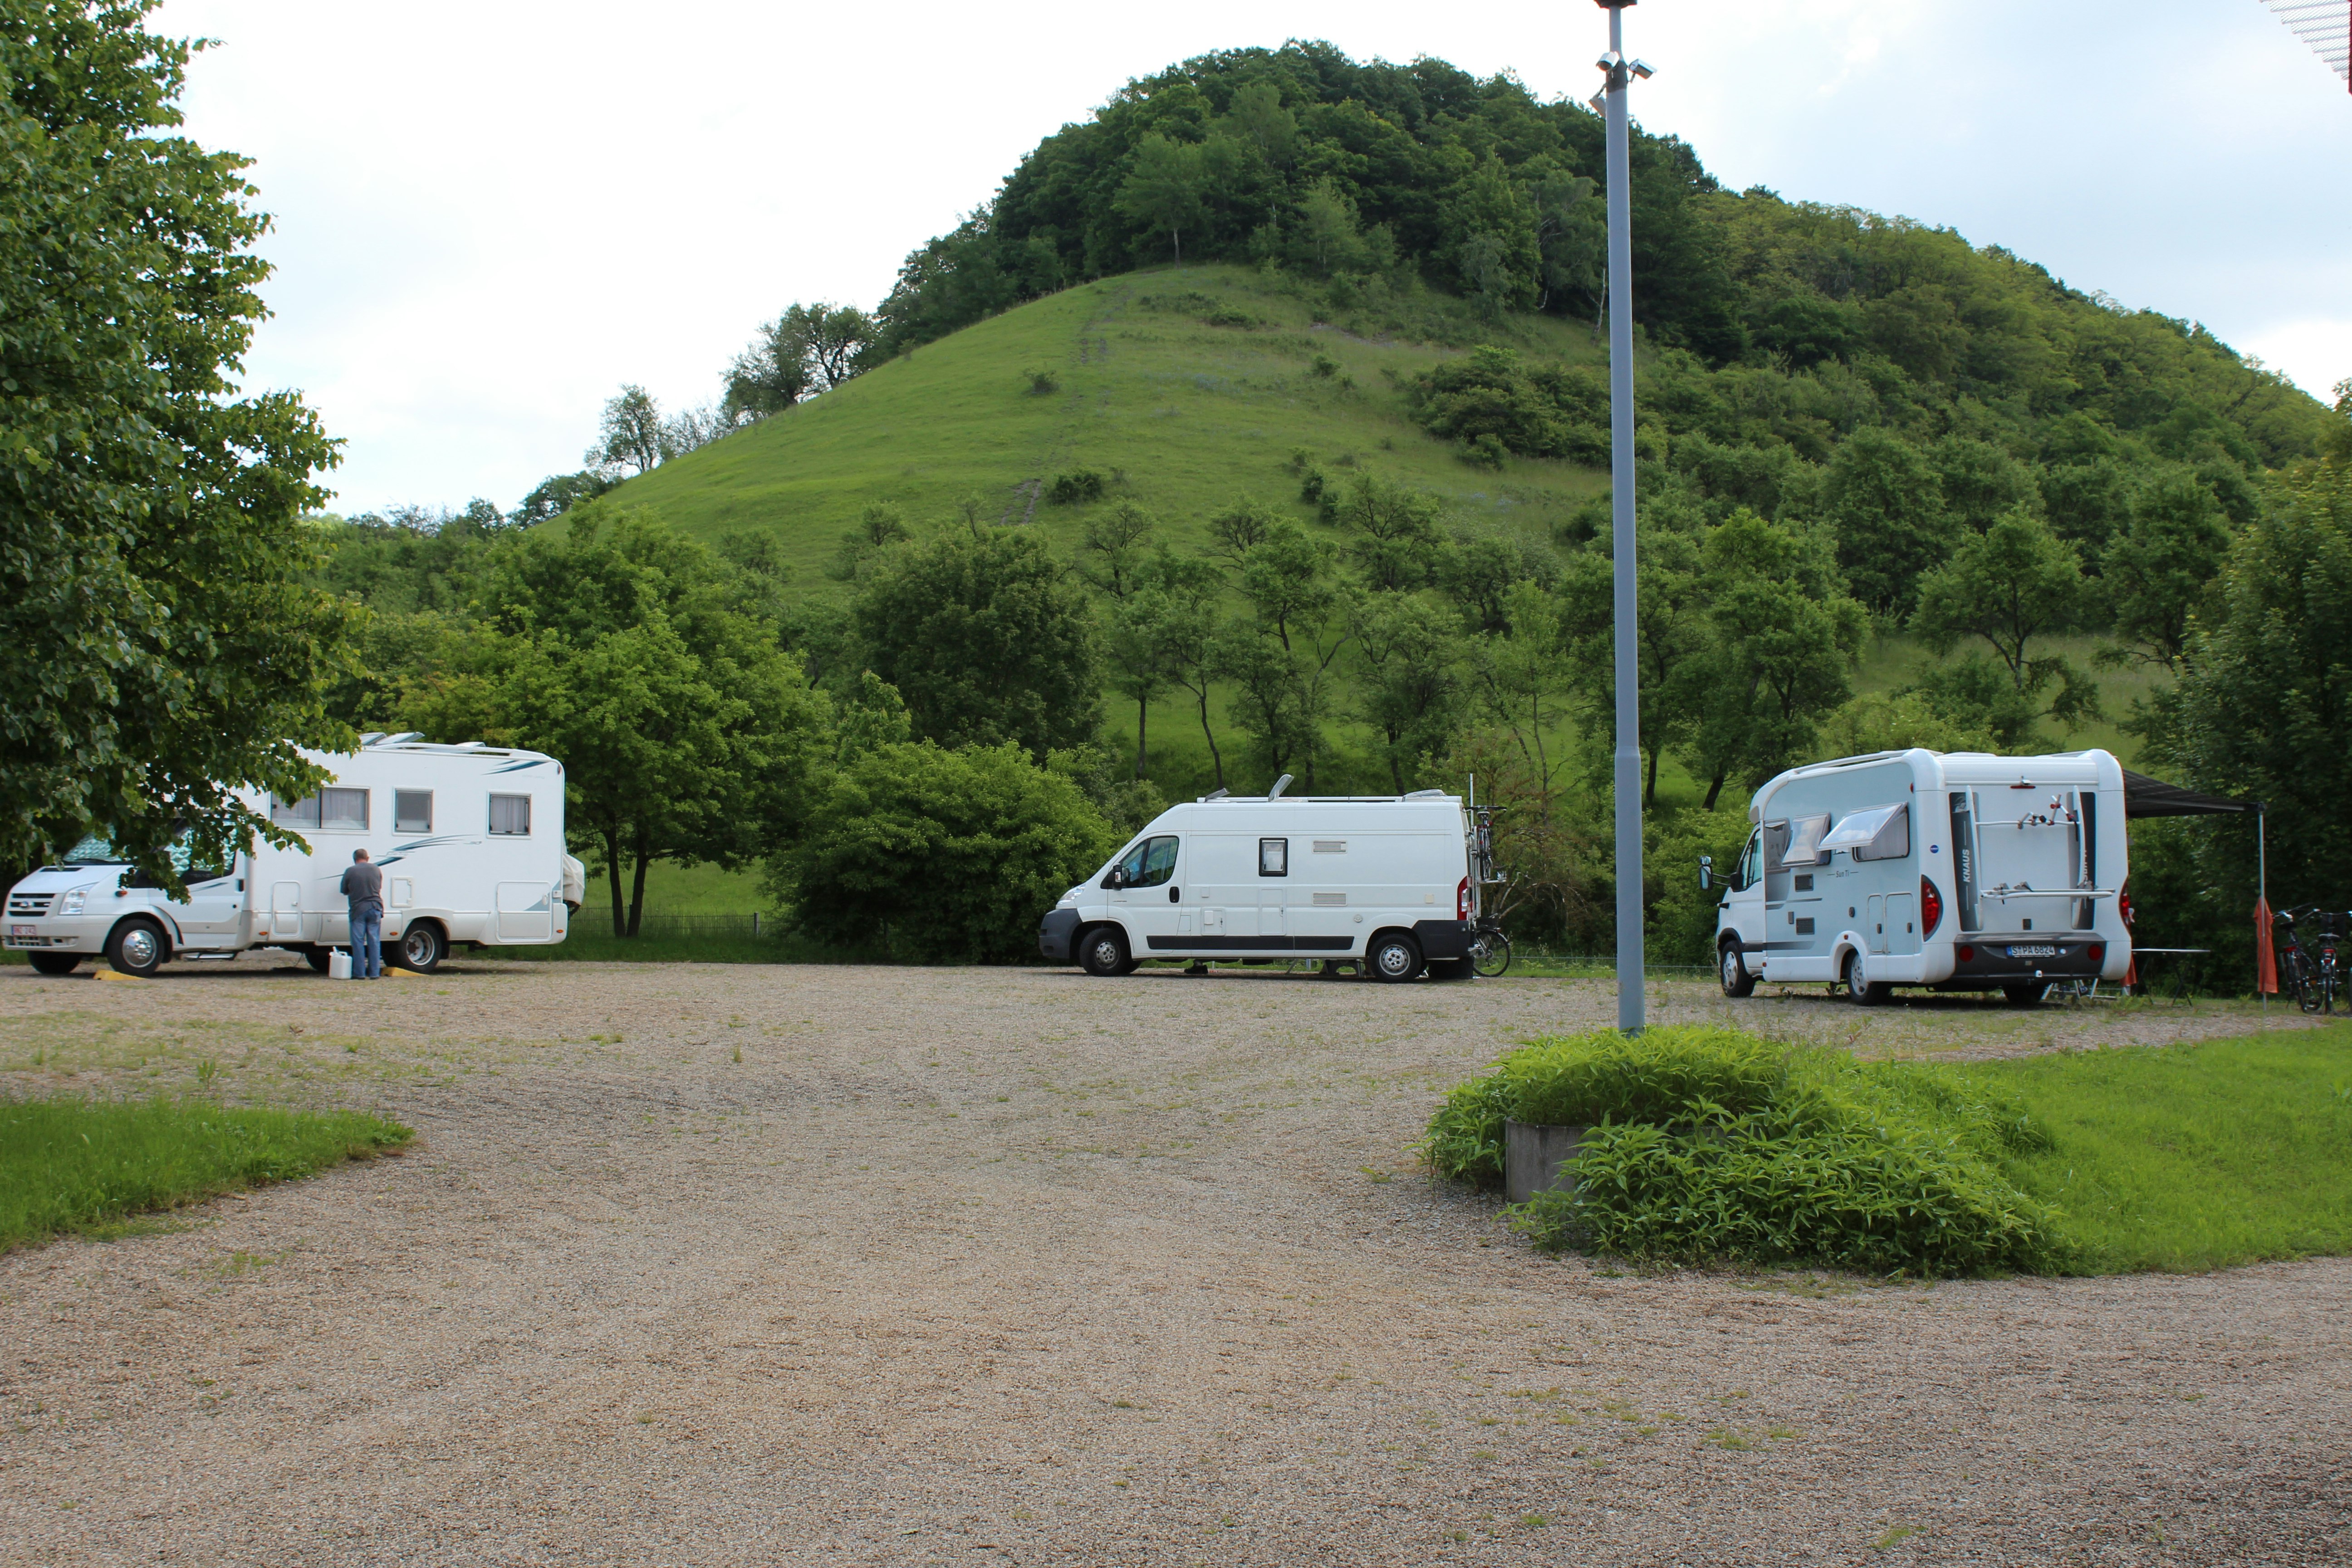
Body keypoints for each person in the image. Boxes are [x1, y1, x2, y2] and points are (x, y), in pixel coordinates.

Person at [339, 848, 385, 980]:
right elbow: (379, 887)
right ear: (368, 858)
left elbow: (344, 890)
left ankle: (360, 973)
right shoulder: (376, 869)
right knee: (374, 941)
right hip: (376, 907)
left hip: (358, 910)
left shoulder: (350, 871)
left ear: (355, 859)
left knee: (358, 942)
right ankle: (375, 973)